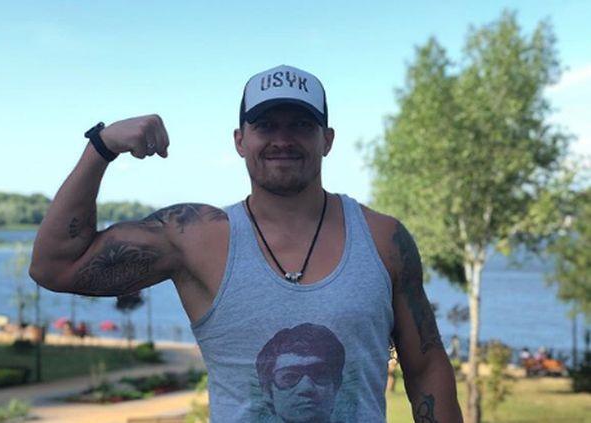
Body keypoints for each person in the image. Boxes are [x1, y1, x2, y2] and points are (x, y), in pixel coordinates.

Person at [30, 65, 462, 422]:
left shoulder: (383, 239)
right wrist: (101, 147)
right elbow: (55, 266)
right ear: (240, 140)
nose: (283, 139)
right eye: (266, 125)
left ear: (327, 140)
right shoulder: (196, 238)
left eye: (301, 125)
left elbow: (426, 366)